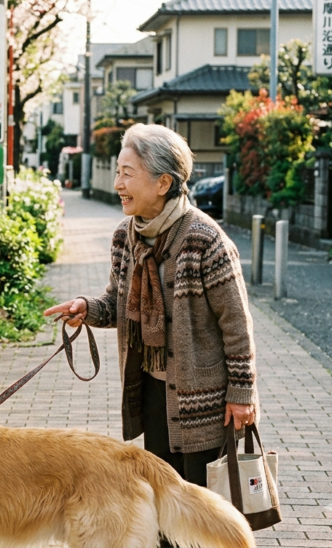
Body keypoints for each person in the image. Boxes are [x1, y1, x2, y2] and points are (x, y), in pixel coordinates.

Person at [44, 123, 258, 491]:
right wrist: (87, 308)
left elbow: (237, 326)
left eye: (128, 174)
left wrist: (242, 394)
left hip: (205, 402)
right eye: (117, 173)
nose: (118, 184)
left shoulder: (206, 241)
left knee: (205, 506)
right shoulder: (125, 237)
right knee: (164, 502)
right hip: (153, 393)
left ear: (164, 182)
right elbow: (118, 302)